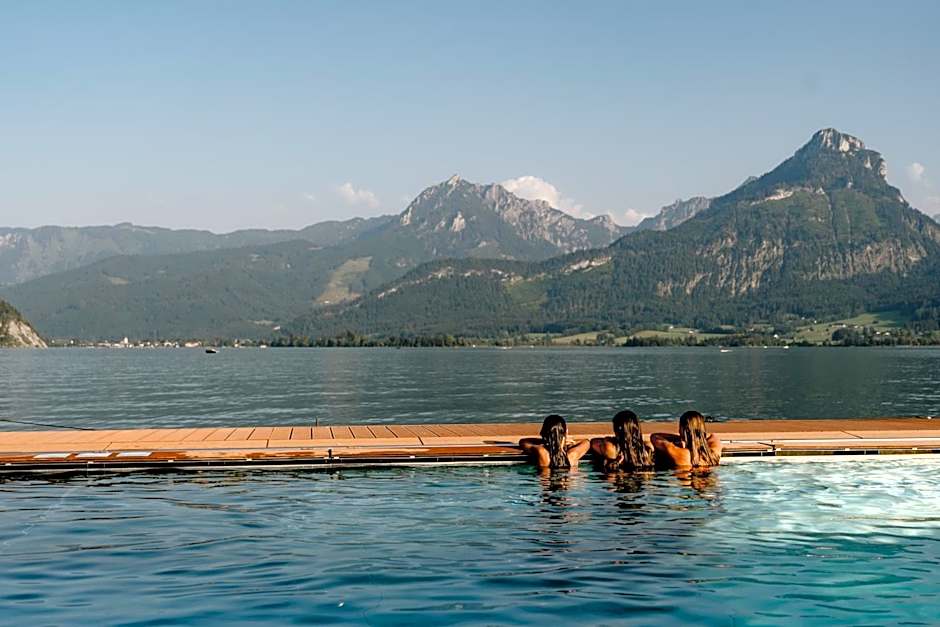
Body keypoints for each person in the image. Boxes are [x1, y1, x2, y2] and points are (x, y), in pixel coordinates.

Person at [650, 410, 722, 468]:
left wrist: (682, 438)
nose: (679, 431)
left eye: (680, 428)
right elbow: (713, 436)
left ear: (685, 431)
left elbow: (654, 436)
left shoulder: (681, 454)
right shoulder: (714, 452)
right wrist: (698, 436)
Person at [590, 410, 654, 471]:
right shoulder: (647, 449)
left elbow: (593, 442)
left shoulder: (611, 449)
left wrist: (608, 439)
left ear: (618, 429)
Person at [518, 414, 590, 469]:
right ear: (566, 432)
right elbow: (587, 442)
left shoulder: (542, 452)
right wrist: (565, 442)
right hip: (568, 481)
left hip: (546, 480)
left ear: (543, 432)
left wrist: (547, 441)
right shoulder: (572, 455)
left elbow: (523, 442)